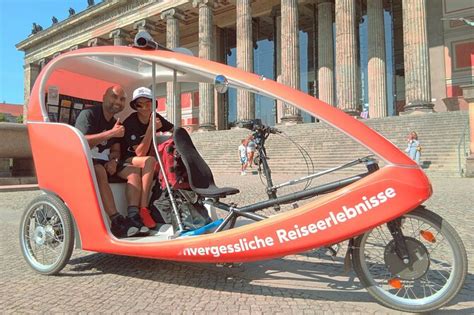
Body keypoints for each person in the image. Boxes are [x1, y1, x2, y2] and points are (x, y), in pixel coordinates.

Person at [75, 85, 147, 238]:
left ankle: (133, 217)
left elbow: (115, 150)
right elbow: (81, 142)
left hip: (105, 161)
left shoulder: (115, 122)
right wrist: (111, 133)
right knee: (100, 171)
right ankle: (116, 221)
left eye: (122, 99)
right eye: (114, 96)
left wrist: (114, 160)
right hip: (85, 161)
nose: (118, 102)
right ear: (104, 97)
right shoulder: (88, 114)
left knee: (134, 171)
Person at [121, 87, 174, 229]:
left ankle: (163, 205)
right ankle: (143, 208)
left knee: (166, 167)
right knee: (150, 161)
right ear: (135, 106)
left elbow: (174, 129)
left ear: (153, 104)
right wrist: (151, 128)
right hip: (126, 158)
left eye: (148, 103)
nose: (144, 107)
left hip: (143, 160)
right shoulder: (130, 122)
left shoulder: (156, 117)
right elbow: (139, 153)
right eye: (140, 104)